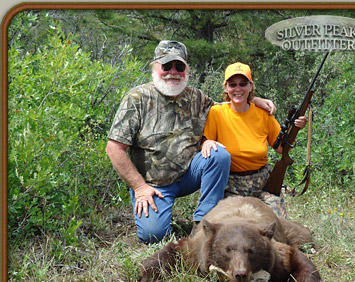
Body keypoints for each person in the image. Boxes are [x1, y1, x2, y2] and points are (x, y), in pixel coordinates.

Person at [106, 41, 276, 243]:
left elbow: (230, 103)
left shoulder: (196, 97)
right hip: (154, 184)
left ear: (187, 69)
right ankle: (158, 217)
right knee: (153, 236)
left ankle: (204, 222)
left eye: (179, 66)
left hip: (189, 175)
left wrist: (255, 101)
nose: (173, 72)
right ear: (155, 66)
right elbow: (114, 148)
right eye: (166, 66)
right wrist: (140, 187)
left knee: (218, 155)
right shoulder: (137, 98)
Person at [202, 62, 307, 218]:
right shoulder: (216, 112)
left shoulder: (263, 113)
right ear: (226, 88)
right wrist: (206, 142)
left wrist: (296, 129)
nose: (238, 89)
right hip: (231, 187)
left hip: (263, 184)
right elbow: (207, 143)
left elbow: (281, 149)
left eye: (243, 84)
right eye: (233, 84)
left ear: (251, 87)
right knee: (232, 225)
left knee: (279, 224)